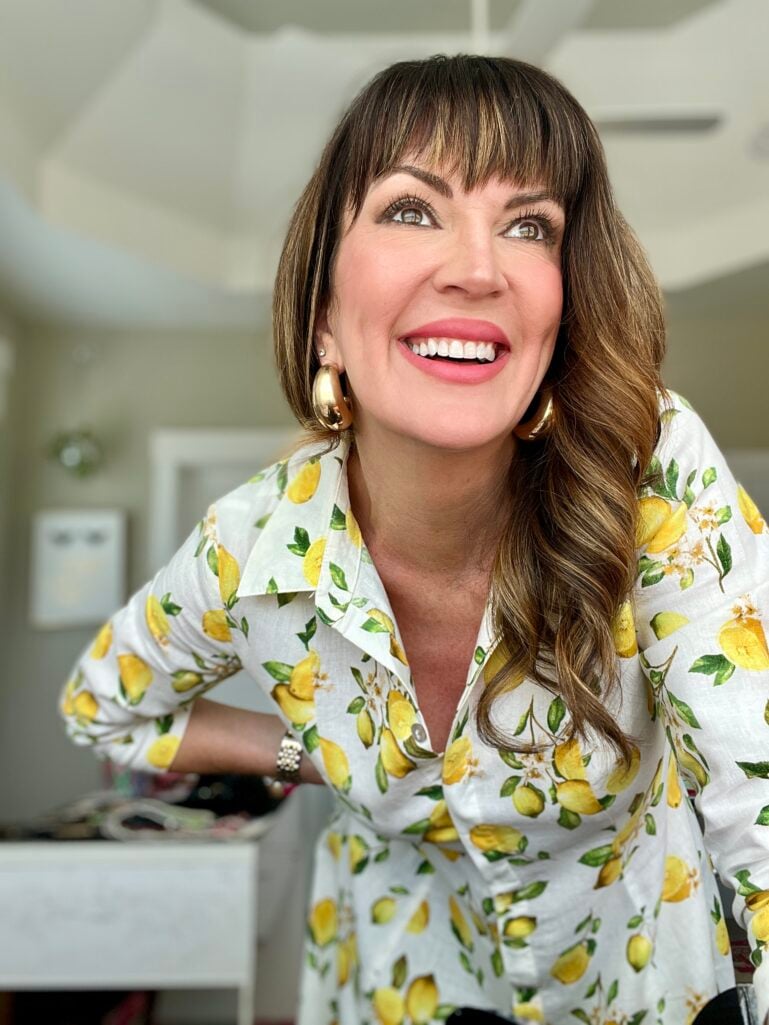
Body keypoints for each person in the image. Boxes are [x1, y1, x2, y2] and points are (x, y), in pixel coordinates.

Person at [58, 54, 769, 1025]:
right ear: (321, 319)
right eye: (409, 207)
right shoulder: (251, 541)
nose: (477, 268)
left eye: (529, 225)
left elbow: (757, 794)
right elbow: (104, 707)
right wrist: (317, 746)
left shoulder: (652, 462)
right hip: (394, 984)